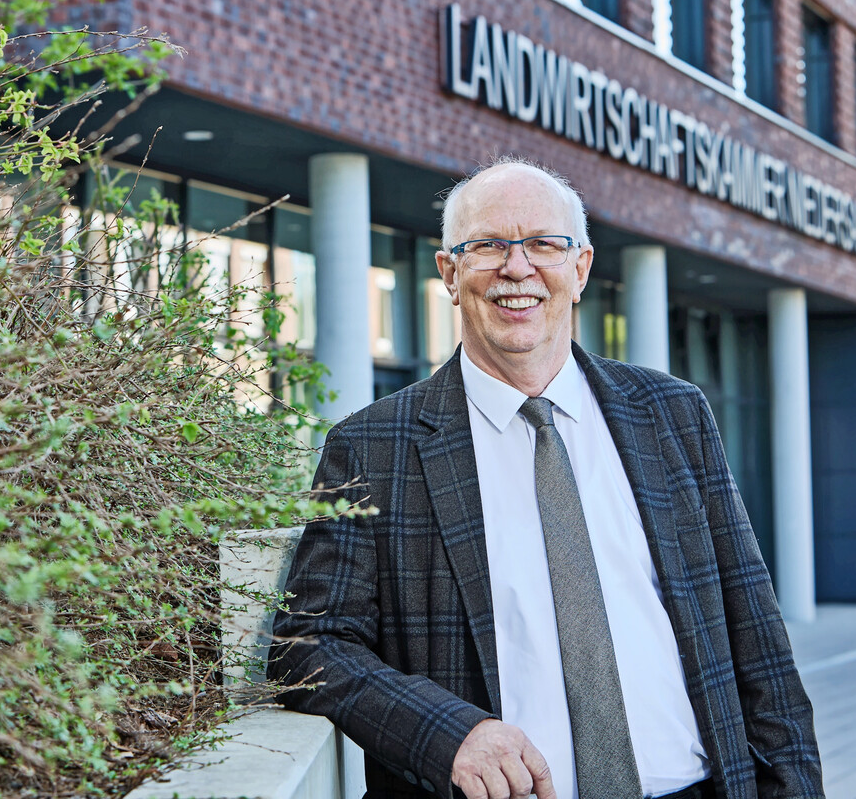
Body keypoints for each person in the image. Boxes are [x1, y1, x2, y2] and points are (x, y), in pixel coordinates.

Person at [269, 157, 823, 799]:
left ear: (580, 269)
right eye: (488, 246)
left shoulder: (672, 414)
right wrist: (447, 735)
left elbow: (755, 636)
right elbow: (310, 643)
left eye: (543, 244)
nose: (517, 267)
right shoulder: (373, 448)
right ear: (449, 273)